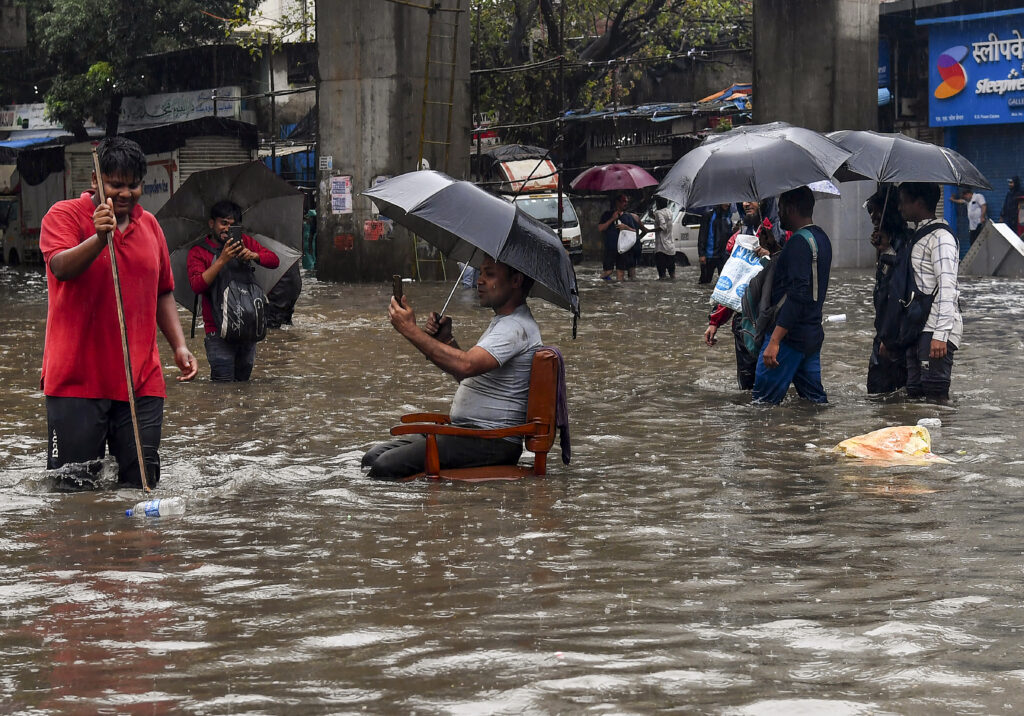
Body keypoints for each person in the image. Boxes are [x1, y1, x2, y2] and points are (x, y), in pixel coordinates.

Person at [39, 136, 198, 488]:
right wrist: (99, 238)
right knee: (73, 487)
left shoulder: (151, 227)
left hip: (140, 378)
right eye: (116, 185)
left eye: (133, 185)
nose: (126, 193)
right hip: (76, 381)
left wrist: (178, 346)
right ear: (96, 181)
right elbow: (61, 268)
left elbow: (163, 291)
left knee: (141, 484)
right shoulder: (63, 215)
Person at [362, 256, 542, 478]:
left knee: (385, 466)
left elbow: (465, 365)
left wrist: (409, 329)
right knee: (372, 458)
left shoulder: (514, 328)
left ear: (516, 281)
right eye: (481, 273)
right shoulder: (504, 323)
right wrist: (446, 340)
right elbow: (473, 376)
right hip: (469, 434)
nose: (480, 280)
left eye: (490, 274)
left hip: (492, 441)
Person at [752, 186, 832, 405]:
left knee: (762, 406)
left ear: (791, 208)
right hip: (811, 332)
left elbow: (798, 294)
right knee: (813, 402)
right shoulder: (820, 237)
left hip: (789, 336)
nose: (779, 214)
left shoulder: (798, 243)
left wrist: (775, 341)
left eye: (781, 208)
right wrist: (776, 248)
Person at [187, 200, 280, 381]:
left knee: (243, 385)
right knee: (223, 386)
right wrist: (222, 260)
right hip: (217, 330)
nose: (227, 229)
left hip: (248, 326)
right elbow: (197, 285)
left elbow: (274, 261)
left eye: (232, 224)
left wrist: (254, 255)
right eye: (223, 223)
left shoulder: (245, 242)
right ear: (211, 223)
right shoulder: (199, 252)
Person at [890, 182, 962, 401]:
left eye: (903, 202)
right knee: (915, 396)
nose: (900, 208)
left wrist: (940, 335)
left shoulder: (941, 238)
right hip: (917, 328)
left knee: (935, 398)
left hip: (935, 330)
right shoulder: (918, 235)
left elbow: (947, 286)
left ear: (919, 203)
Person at [703, 200, 784, 390]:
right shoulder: (738, 239)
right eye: (743, 199)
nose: (746, 203)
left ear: (767, 199)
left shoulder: (783, 232)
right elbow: (732, 285)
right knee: (748, 387)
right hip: (745, 323)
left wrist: (773, 253)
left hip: (775, 322)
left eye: (752, 198)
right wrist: (715, 321)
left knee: (773, 384)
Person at [865, 185, 910, 394]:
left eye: (877, 212)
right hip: (884, 331)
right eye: (871, 212)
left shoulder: (903, 244)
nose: (874, 217)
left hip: (893, 336)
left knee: (884, 392)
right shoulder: (888, 243)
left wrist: (887, 338)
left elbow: (896, 294)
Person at [598, 193, 640, 282]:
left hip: (622, 249)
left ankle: (618, 292)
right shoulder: (607, 214)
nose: (625, 204)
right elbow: (601, 228)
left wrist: (626, 227)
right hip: (610, 248)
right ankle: (599, 282)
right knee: (608, 271)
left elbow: (634, 232)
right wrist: (612, 219)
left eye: (626, 202)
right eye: (623, 201)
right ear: (617, 202)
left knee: (620, 273)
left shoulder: (628, 216)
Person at [697, 203, 733, 284]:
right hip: (709, 255)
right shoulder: (709, 215)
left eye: (729, 202)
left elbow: (728, 235)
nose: (727, 204)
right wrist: (701, 254)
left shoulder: (728, 216)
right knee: (705, 282)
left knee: (724, 281)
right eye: (725, 202)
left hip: (723, 255)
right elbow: (702, 235)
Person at [651, 196, 676, 280]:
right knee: (672, 274)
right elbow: (662, 219)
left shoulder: (658, 213)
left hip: (661, 248)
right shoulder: (669, 212)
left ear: (658, 204)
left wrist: (649, 230)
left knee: (662, 275)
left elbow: (663, 226)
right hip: (670, 247)